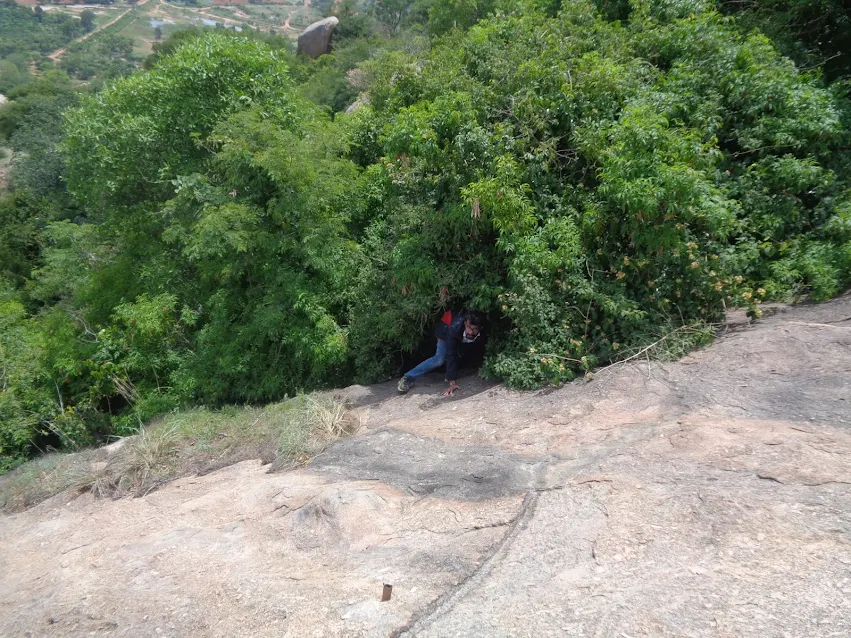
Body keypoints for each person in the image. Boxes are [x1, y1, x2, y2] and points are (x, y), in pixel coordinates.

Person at [397, 309, 486, 397]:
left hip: (458, 334)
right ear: (464, 323)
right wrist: (452, 382)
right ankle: (408, 377)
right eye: (469, 327)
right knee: (439, 359)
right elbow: (451, 353)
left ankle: (452, 372)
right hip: (445, 329)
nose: (471, 332)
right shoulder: (455, 328)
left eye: (475, 329)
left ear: (481, 328)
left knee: (463, 352)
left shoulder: (484, 330)